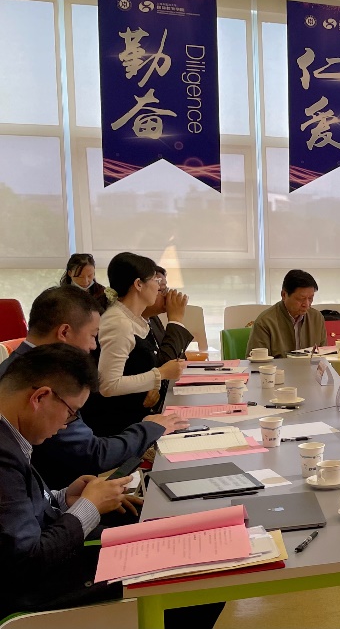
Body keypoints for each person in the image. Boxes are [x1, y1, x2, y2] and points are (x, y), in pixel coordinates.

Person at [0, 344, 221, 627]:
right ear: (40, 397)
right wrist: (89, 506)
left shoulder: (10, 437)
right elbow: (28, 561)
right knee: (197, 577)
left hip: (46, 567)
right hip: (33, 592)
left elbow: (18, 511)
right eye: (71, 413)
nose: (66, 425)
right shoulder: (3, 456)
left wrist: (65, 498)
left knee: (171, 538)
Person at [0, 287, 186, 489]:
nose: (94, 346)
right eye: (92, 335)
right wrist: (150, 428)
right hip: (59, 491)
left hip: (63, 492)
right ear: (64, 332)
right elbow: (93, 454)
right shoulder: (46, 378)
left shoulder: (16, 363)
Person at [80, 253, 185, 437]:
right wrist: (161, 374)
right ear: (138, 284)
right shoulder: (118, 322)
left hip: (133, 417)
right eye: (155, 281)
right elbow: (108, 385)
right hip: (115, 427)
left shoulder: (133, 318)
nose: (159, 288)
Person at [247, 269, 326, 357]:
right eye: (301, 298)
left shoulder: (317, 318)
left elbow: (324, 356)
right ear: (284, 295)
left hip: (310, 366)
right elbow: (256, 361)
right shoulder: (265, 322)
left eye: (310, 298)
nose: (306, 304)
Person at [142, 265, 195, 363]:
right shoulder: (124, 323)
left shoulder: (152, 319)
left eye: (166, 289)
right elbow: (165, 364)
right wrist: (175, 320)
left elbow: (177, 358)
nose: (167, 295)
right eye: (162, 290)